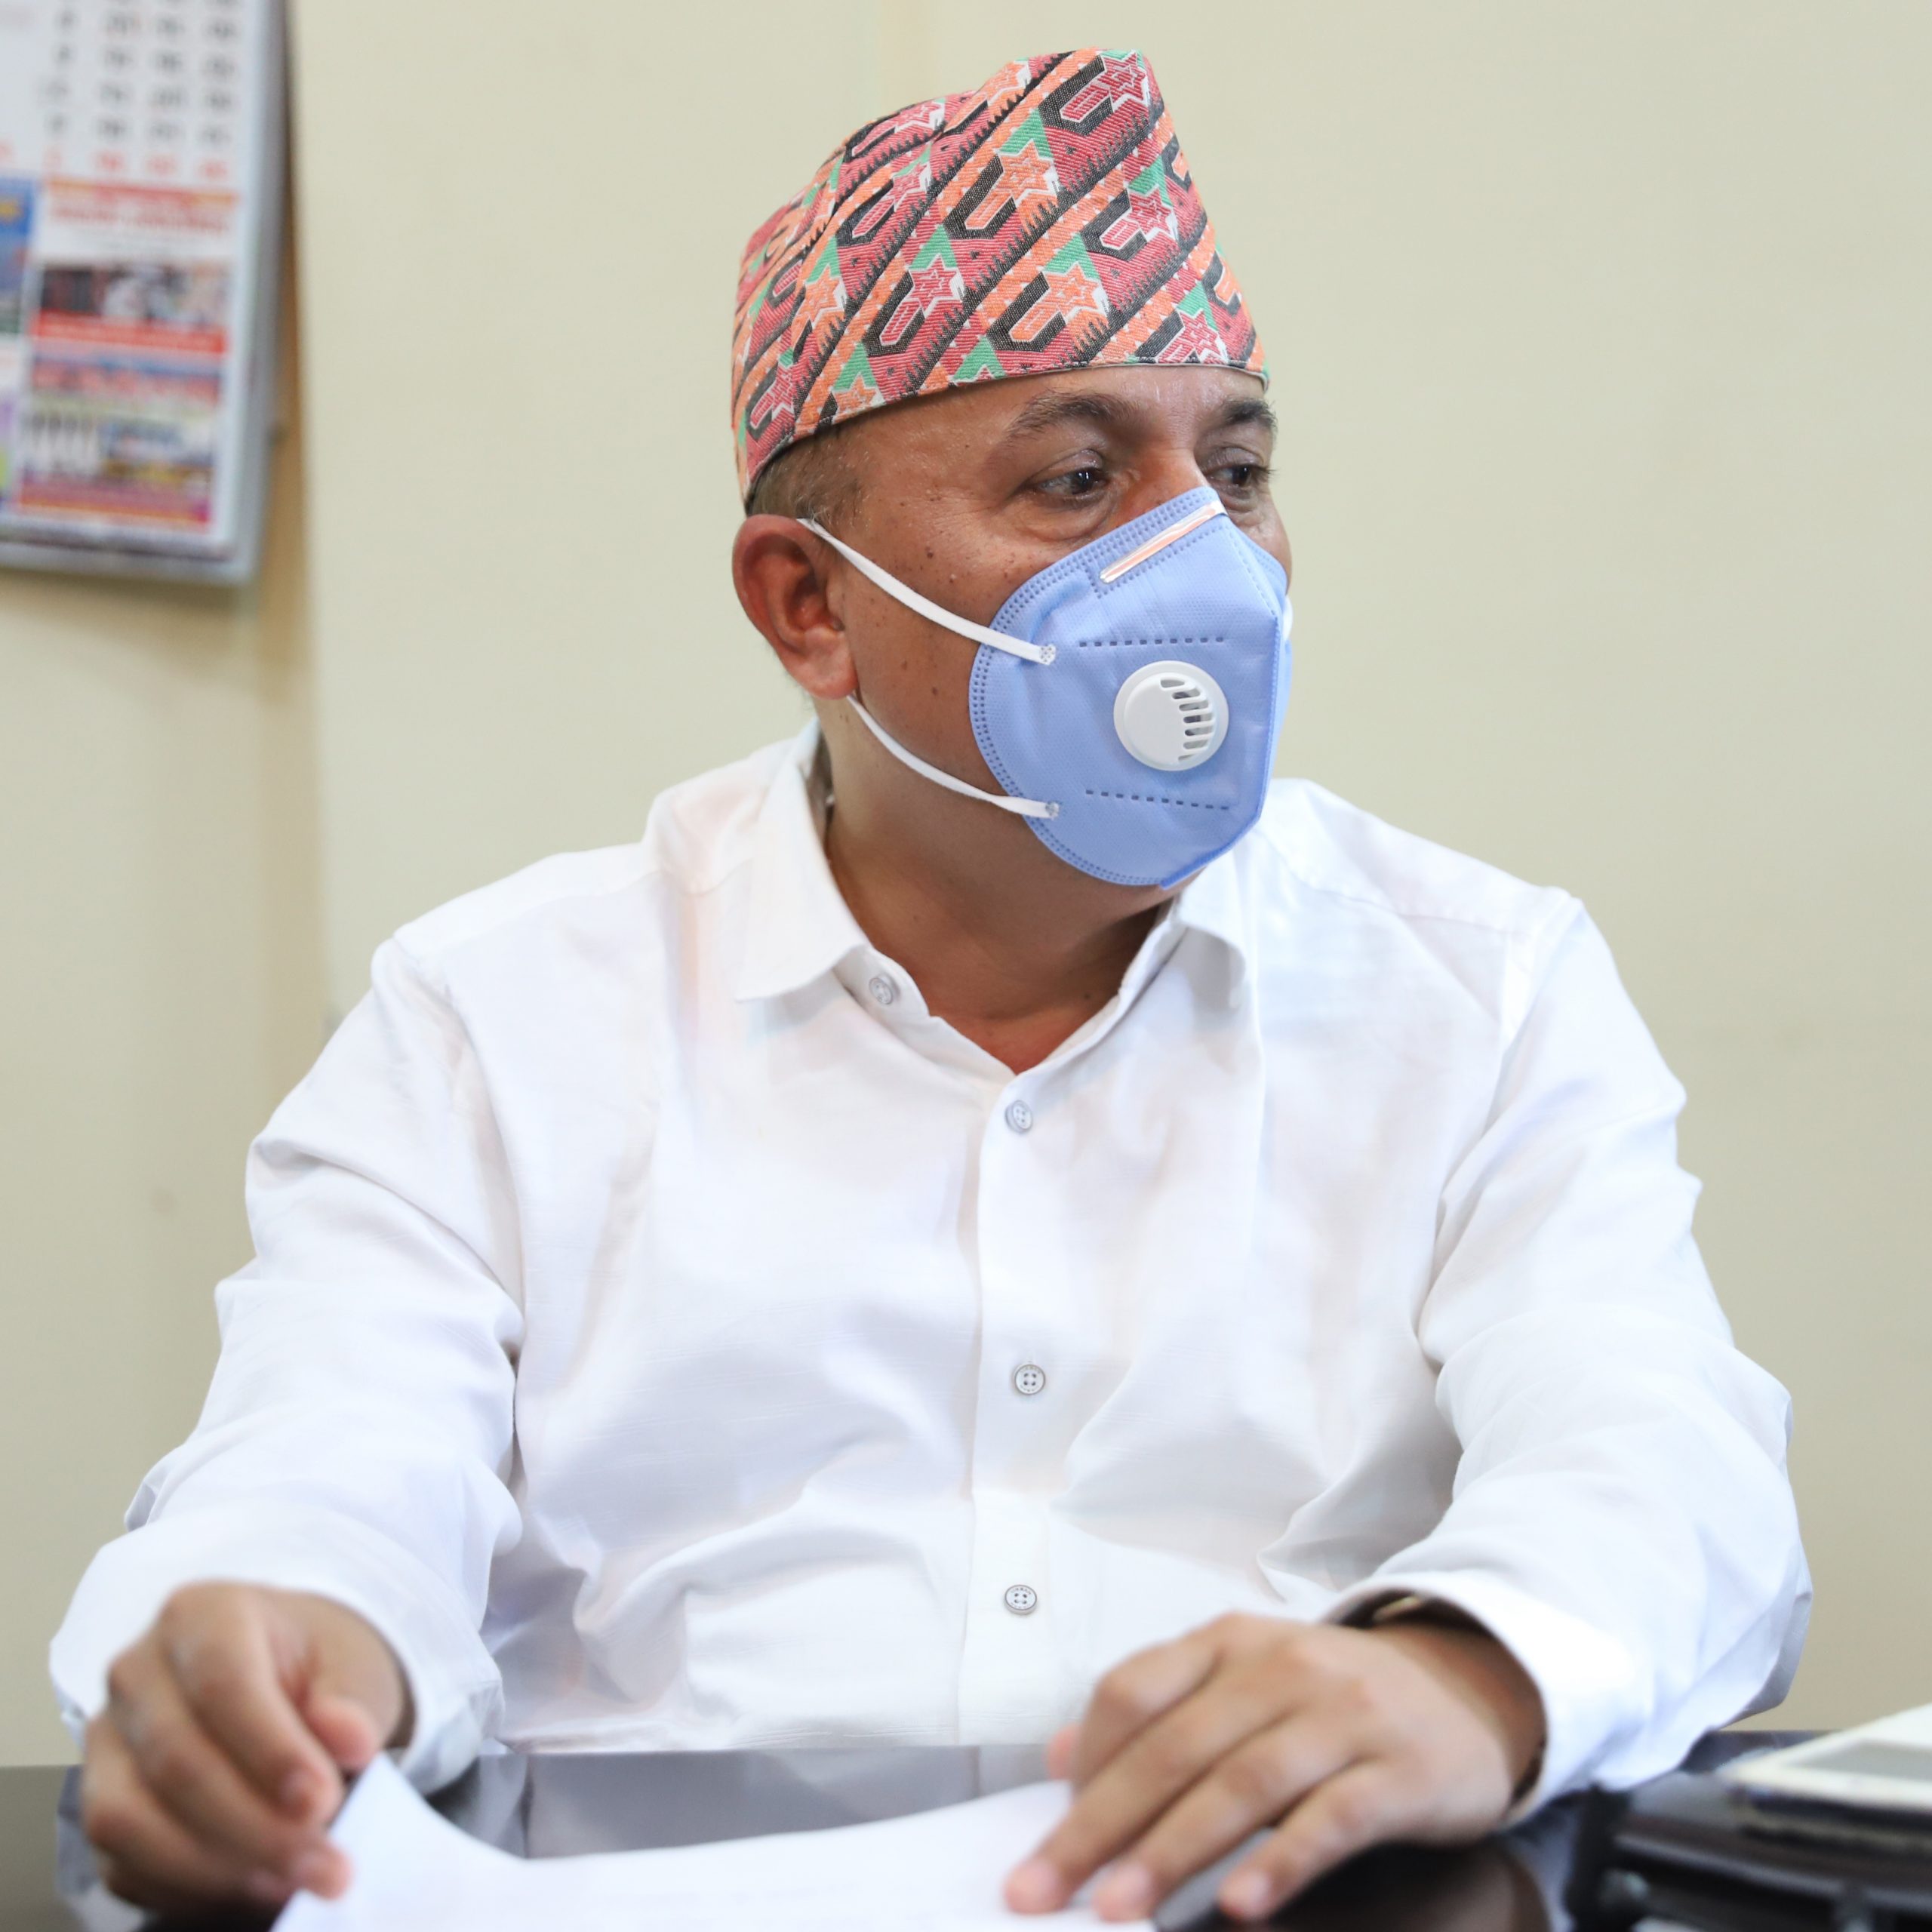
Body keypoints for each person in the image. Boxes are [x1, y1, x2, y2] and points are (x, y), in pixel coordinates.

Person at [52, 48, 1808, 1924]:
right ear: (806, 605)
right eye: (1077, 478)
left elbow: (1659, 1458)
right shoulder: (497, 1019)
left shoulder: (1477, 989)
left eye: (1232, 473)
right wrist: (280, 1649)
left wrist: (1465, 1674)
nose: (1199, 558)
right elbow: (328, 1463)